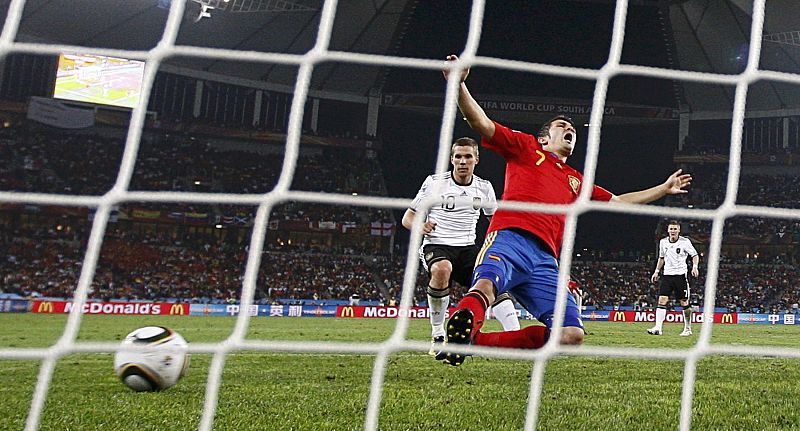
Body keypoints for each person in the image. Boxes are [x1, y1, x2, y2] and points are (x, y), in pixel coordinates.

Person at [438, 54, 694, 366]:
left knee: (571, 334)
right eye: (561, 126)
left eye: (572, 127)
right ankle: (461, 323)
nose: (569, 128)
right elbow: (481, 122)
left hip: (546, 260)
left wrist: (663, 189)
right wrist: (458, 85)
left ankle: (474, 343)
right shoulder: (526, 148)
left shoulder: (576, 180)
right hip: (511, 237)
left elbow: (618, 201)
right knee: (486, 286)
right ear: (544, 139)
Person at [402, 137, 520, 357]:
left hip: (467, 248)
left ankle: (515, 336)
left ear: (476, 159)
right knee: (442, 269)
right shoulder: (434, 183)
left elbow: (495, 221)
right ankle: (438, 335)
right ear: (451, 159)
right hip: (437, 245)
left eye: (467, 156)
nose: (462, 161)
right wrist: (421, 226)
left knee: (492, 280)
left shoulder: (484, 187)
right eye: (458, 156)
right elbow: (408, 218)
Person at [648, 220, 699, 336]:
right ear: (668, 230)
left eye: (675, 229)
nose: (673, 231)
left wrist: (695, 267)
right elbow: (661, 258)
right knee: (662, 300)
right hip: (667, 276)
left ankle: (687, 328)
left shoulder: (685, 242)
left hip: (680, 276)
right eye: (671, 229)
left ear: (679, 230)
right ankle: (658, 328)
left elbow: (695, 255)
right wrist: (656, 271)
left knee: (684, 302)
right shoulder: (663, 242)